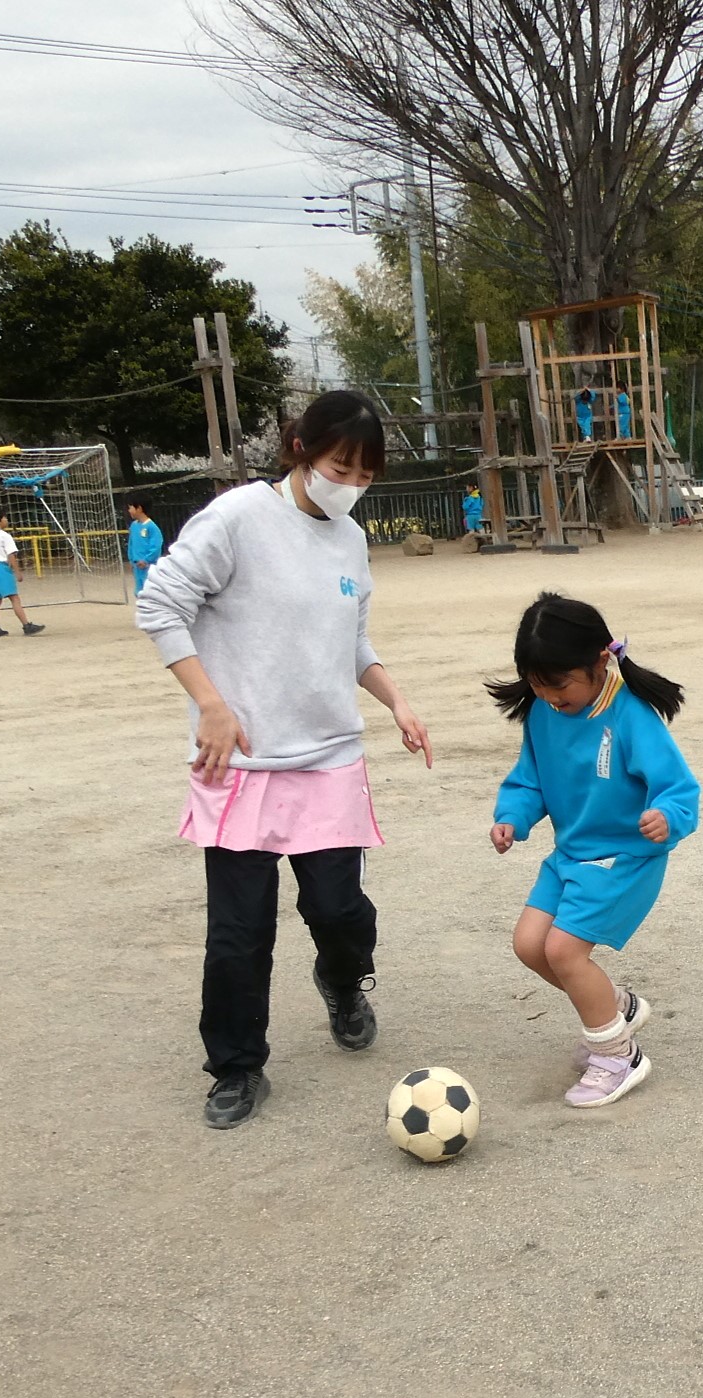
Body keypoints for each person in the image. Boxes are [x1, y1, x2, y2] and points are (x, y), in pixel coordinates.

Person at [135, 390, 434, 1130]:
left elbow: (352, 641)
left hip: (329, 757)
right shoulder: (237, 518)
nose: (351, 485)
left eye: (365, 475)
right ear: (301, 448)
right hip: (241, 763)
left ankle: (342, 981)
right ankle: (237, 1067)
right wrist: (211, 704)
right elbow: (160, 604)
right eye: (341, 468)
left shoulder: (351, 540)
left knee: (340, 911)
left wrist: (396, 701)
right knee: (239, 933)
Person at [489, 593, 699, 1109]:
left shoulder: (631, 716)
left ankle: (619, 1055)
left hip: (624, 859)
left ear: (601, 661)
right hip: (571, 855)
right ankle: (615, 1009)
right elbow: (530, 779)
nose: (547, 697)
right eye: (536, 685)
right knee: (529, 945)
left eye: (558, 686)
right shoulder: (543, 712)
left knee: (563, 950)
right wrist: (512, 817)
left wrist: (666, 817)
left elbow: (679, 790)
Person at [0, 507, 44, 638]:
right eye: (4, 518)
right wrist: (17, 571)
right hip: (1, 568)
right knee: (15, 598)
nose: (6, 520)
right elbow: (11, 555)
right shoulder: (4, 536)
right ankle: (27, 625)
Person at [125, 494, 164, 596]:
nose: (129, 510)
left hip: (148, 567)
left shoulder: (152, 527)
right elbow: (131, 544)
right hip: (137, 566)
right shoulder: (134, 526)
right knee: (139, 592)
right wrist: (131, 559)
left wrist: (146, 560)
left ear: (139, 508)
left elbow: (156, 547)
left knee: (149, 592)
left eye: (130, 507)